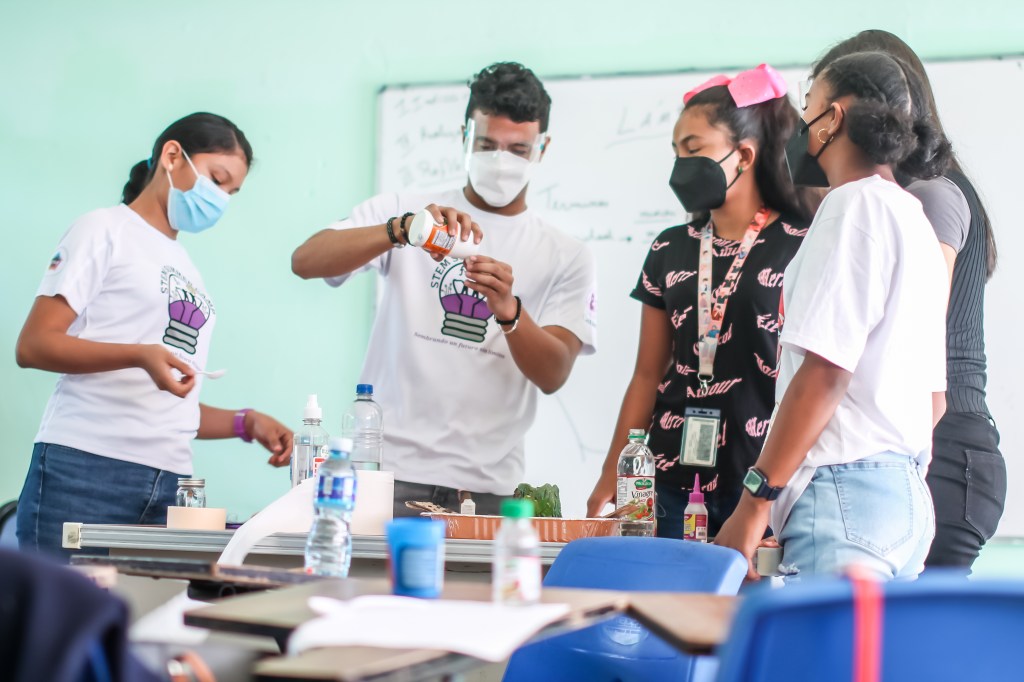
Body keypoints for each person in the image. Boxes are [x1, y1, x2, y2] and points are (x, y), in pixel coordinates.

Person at [291, 63, 597, 516]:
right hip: (383, 474)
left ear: (541, 148)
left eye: (518, 150)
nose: (500, 161)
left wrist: (510, 312)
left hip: (487, 489)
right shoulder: (407, 211)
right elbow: (306, 260)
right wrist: (401, 230)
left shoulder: (565, 254)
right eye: (487, 145)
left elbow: (553, 374)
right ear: (464, 136)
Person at [714, 51, 952, 580]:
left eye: (809, 108)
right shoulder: (912, 216)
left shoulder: (851, 206)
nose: (800, 126)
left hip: (845, 491)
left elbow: (824, 373)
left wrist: (756, 503)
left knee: (819, 665)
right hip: (906, 500)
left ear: (834, 118)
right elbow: (935, 399)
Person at [15, 113, 293, 560]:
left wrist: (247, 422)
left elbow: (168, 401)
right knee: (62, 627)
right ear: (171, 156)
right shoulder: (104, 230)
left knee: (144, 627)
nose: (221, 199)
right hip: (86, 471)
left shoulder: (187, 269)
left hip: (170, 484)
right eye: (217, 180)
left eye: (231, 192)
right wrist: (139, 355)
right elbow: (33, 345)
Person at [586, 64, 815, 537]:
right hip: (668, 476)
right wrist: (613, 470)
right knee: (666, 606)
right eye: (676, 152)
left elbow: (810, 377)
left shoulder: (801, 244)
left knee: (746, 609)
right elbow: (647, 374)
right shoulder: (669, 248)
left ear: (745, 156)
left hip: (760, 479)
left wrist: (771, 486)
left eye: (694, 150)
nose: (681, 165)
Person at [812, 31, 1005, 571]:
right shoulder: (901, 197)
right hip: (942, 449)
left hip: (945, 450)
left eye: (825, 110)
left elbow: (918, 340)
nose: (818, 128)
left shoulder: (931, 194)